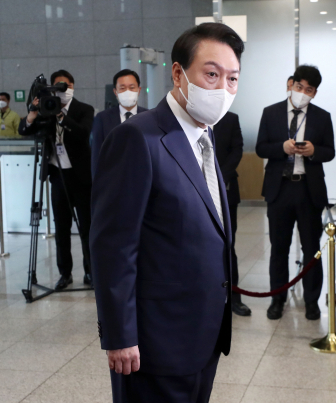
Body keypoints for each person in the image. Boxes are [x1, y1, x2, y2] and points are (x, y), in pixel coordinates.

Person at [91, 23, 243, 402]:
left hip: (203, 335)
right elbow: (113, 245)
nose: (222, 89)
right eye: (211, 75)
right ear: (178, 73)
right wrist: (120, 335)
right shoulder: (137, 137)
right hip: (155, 343)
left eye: (232, 78)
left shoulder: (205, 135)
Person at [256, 65, 335, 321]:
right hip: (279, 188)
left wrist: (314, 151)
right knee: (279, 247)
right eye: (299, 87)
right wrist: (281, 148)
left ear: (314, 93)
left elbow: (330, 151)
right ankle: (277, 299)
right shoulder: (271, 112)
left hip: (308, 189)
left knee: (311, 248)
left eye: (309, 90)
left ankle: (311, 301)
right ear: (291, 85)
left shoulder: (322, 116)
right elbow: (260, 148)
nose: (302, 92)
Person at [19, 70, 94, 290]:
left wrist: (61, 116)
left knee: (87, 227)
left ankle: (90, 271)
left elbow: (83, 132)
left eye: (66, 85)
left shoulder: (84, 109)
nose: (62, 89)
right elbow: (24, 130)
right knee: (61, 228)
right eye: (57, 85)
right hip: (58, 176)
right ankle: (65, 273)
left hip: (81, 177)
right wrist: (33, 113)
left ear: (73, 86)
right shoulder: (46, 108)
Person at [213, 111, 251, 316]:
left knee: (228, 245)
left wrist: (218, 176)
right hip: (193, 189)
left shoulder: (230, 119)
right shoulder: (189, 115)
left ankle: (234, 298)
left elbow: (237, 150)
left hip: (226, 189)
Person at [91, 69, 147, 178]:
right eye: (122, 88)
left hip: (143, 178)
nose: (127, 92)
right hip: (113, 180)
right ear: (115, 92)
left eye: (132, 87)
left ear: (139, 90)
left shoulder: (149, 117)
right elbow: (97, 156)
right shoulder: (102, 119)